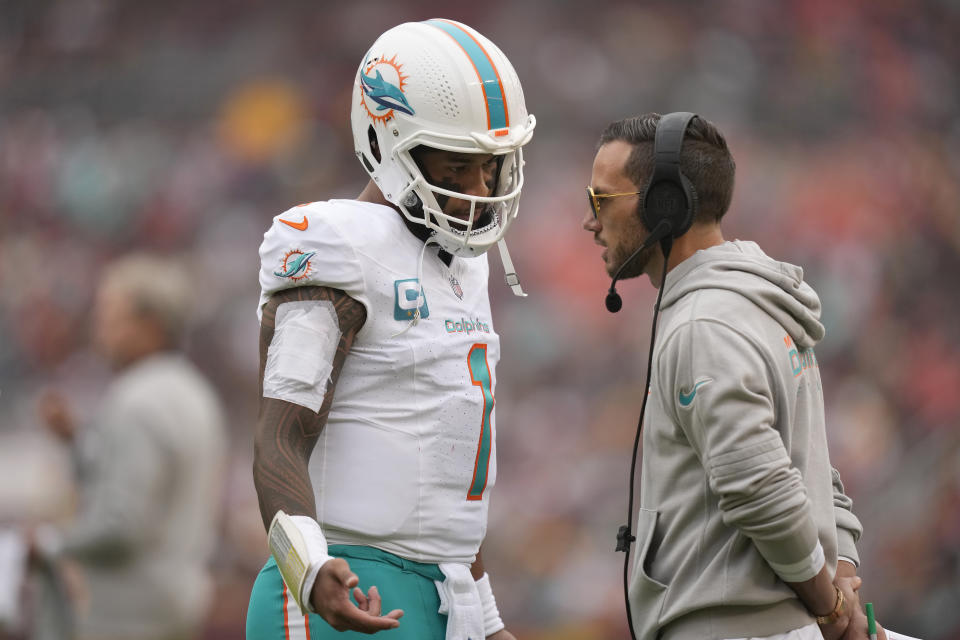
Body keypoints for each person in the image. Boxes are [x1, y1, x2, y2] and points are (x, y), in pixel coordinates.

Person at [246, 19, 535, 640]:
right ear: (388, 143)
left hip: (442, 595)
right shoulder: (336, 242)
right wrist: (309, 564)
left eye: (491, 168)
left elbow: (447, 466)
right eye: (458, 167)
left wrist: (485, 617)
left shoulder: (466, 269)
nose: (479, 191)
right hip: (349, 584)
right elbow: (280, 437)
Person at [581, 113, 887, 640]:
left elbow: (759, 485)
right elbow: (814, 471)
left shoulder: (705, 325)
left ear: (665, 205)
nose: (590, 221)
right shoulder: (758, 307)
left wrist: (832, 607)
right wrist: (843, 584)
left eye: (601, 200)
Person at [31, 254, 227, 640]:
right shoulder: (194, 392)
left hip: (128, 610)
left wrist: (48, 544)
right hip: (180, 594)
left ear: (151, 325)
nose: (99, 329)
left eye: (111, 316)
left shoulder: (134, 399)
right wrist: (77, 442)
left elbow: (122, 523)